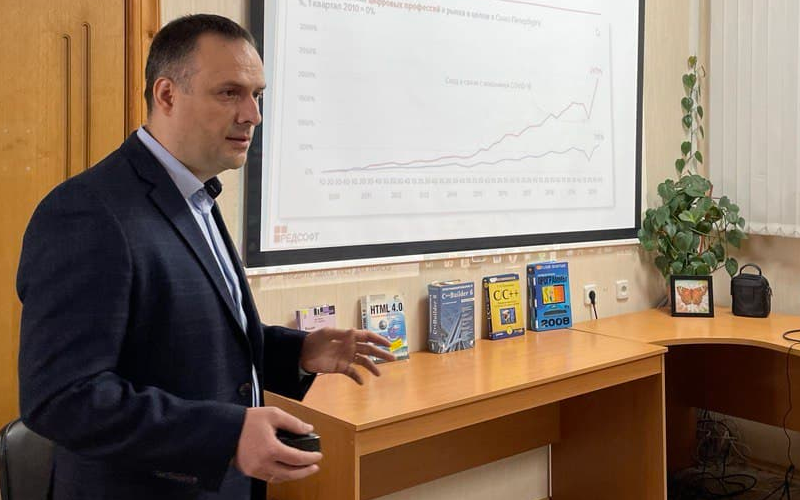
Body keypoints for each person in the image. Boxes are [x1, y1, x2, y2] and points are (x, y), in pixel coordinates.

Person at [16, 14, 394, 500]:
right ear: (167, 95)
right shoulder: (88, 212)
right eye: (230, 93)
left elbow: (191, 342)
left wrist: (298, 353)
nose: (252, 115)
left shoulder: (196, 196)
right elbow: (62, 399)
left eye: (257, 95)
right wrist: (225, 435)